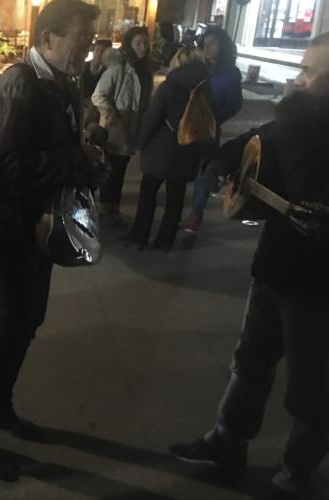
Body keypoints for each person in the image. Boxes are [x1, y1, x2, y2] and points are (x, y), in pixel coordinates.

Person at [169, 33, 329, 500]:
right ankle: (227, 442)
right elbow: (250, 144)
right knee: (250, 363)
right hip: (275, 268)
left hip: (319, 287)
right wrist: (223, 160)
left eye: (310, 72)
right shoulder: (296, 117)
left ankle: (296, 473)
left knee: (313, 389)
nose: (298, 79)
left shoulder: (308, 121)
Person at [0, 0, 103, 482]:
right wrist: (76, 162)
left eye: (90, 42)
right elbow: (4, 168)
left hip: (39, 227)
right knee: (14, 323)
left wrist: (83, 161)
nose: (87, 50)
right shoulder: (18, 85)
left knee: (28, 320)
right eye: (80, 40)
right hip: (11, 228)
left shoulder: (59, 82)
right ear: (47, 39)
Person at [119, 47, 209, 251]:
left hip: (162, 149)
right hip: (189, 149)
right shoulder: (206, 88)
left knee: (148, 193)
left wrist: (141, 143)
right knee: (176, 196)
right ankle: (165, 240)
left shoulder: (171, 86)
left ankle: (139, 236)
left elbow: (152, 118)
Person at [92, 26, 152, 226]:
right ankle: (106, 209)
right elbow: (98, 95)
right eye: (138, 43)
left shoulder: (144, 70)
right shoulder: (119, 68)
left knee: (120, 171)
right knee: (111, 170)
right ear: (129, 44)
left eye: (145, 43)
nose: (142, 47)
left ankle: (113, 209)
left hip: (132, 126)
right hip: (116, 127)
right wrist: (111, 115)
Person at [186, 26, 243, 233]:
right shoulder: (195, 67)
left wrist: (213, 119)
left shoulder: (230, 73)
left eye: (212, 43)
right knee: (181, 170)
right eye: (205, 44)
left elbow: (234, 103)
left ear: (223, 45)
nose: (207, 48)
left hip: (209, 131)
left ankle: (196, 214)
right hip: (186, 126)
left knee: (204, 174)